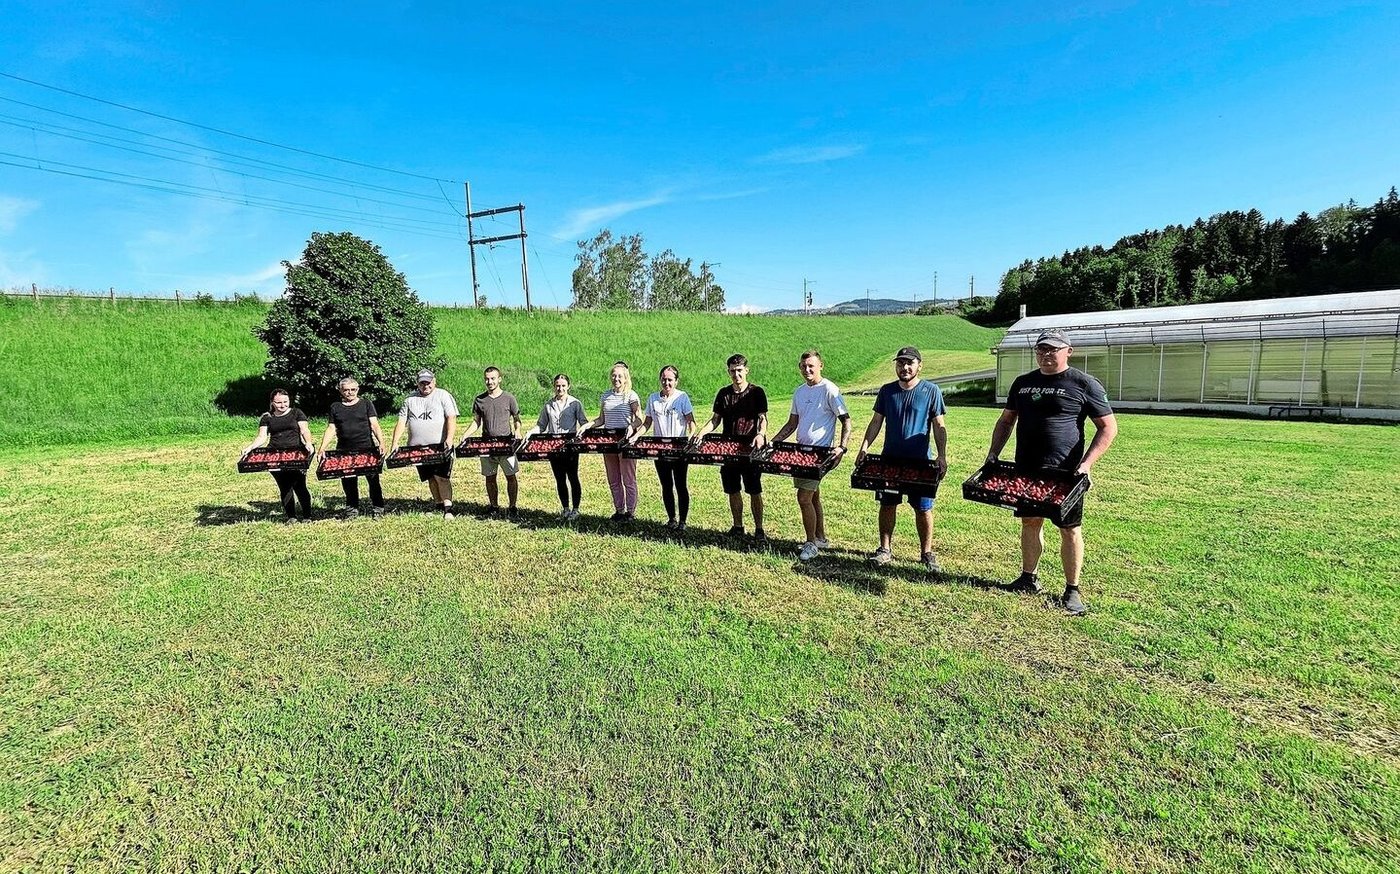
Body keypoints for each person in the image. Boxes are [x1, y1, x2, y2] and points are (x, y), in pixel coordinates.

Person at [985, 329, 1118, 616]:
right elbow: (1006, 421)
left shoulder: (1084, 383)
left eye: (1053, 349)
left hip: (1065, 473)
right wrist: (993, 452)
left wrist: (1086, 464)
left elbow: (1108, 428)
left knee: (1069, 529)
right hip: (1027, 468)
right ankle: (1028, 578)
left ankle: (1072, 590)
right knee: (1030, 522)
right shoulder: (1023, 383)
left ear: (1068, 351)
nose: (1046, 354)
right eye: (1041, 349)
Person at [855, 346, 948, 574]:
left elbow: (939, 425)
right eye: (900, 363)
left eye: (909, 363)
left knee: (923, 509)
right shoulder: (887, 391)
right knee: (887, 505)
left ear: (919, 366)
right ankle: (885, 549)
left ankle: (926, 553)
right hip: (890, 462)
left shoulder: (931, 391)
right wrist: (864, 447)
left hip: (920, 463)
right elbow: (876, 422)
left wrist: (942, 455)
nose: (904, 367)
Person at [770, 349, 851, 561]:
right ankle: (820, 537)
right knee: (813, 496)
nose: (807, 369)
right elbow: (792, 424)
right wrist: (774, 442)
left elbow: (846, 420)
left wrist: (841, 447)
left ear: (820, 366)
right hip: (801, 453)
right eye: (804, 366)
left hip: (820, 455)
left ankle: (811, 544)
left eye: (811, 366)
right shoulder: (799, 392)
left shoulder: (829, 389)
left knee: (803, 497)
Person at [693, 353, 769, 541]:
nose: (736, 374)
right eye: (733, 371)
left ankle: (759, 529)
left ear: (746, 370)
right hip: (728, 449)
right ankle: (738, 526)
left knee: (754, 490)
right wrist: (702, 432)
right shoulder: (724, 394)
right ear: (728, 372)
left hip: (751, 449)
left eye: (740, 370)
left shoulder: (756, 392)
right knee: (732, 489)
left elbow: (762, 418)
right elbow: (715, 419)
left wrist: (761, 434)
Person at [632, 364, 696, 530]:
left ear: (676, 381)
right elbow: (647, 422)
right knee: (666, 485)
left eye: (670, 380)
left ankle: (683, 521)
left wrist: (692, 433)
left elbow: (690, 420)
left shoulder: (682, 397)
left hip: (678, 448)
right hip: (659, 448)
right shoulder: (653, 398)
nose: (666, 383)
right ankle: (671, 518)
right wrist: (636, 435)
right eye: (664, 379)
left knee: (681, 485)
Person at [387, 369, 458, 519]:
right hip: (418, 449)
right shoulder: (409, 399)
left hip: (439, 447)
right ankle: (438, 503)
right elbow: (401, 421)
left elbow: (451, 417)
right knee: (430, 477)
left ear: (434, 381)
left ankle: (448, 508)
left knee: (442, 477)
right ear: (417, 383)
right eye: (422, 383)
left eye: (428, 382)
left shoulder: (443, 395)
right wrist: (395, 442)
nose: (426, 386)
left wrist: (449, 439)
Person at [242, 388, 315, 522]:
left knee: (299, 485)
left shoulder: (296, 413)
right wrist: (250, 447)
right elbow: (262, 436)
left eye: (285, 402)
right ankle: (291, 517)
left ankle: (307, 515)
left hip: (295, 454)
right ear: (272, 403)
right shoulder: (267, 417)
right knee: (284, 486)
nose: (283, 405)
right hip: (274, 455)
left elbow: (304, 430)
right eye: (279, 402)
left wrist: (308, 442)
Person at [318, 377, 386, 520]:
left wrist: (381, 442)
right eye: (346, 390)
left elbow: (374, 425)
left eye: (353, 389)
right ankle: (352, 510)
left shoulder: (366, 404)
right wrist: (322, 448)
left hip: (367, 448)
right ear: (340, 391)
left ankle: (378, 508)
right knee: (348, 482)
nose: (350, 392)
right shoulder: (335, 407)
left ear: (358, 389)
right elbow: (331, 428)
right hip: (344, 451)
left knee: (373, 481)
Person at [522, 373, 589, 520]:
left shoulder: (575, 404)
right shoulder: (548, 405)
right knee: (559, 478)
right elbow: (541, 425)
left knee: (573, 477)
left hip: (570, 446)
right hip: (553, 446)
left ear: (568, 386)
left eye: (563, 386)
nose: (560, 389)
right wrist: (530, 432)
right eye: (558, 386)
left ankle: (576, 509)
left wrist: (581, 434)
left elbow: (583, 422)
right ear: (554, 387)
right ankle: (565, 509)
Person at [460, 365, 522, 519]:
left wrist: (518, 431)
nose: (490, 382)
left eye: (493, 378)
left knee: (511, 476)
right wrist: (466, 434)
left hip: (506, 444)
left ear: (499, 379)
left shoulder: (509, 398)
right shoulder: (480, 400)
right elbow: (476, 421)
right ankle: (494, 506)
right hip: (486, 445)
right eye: (487, 379)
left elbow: (516, 418)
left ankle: (512, 507)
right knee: (490, 477)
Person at [583, 361, 643, 521]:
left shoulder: (631, 395)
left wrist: (632, 426)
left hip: (625, 441)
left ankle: (630, 512)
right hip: (609, 442)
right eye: (614, 375)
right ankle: (619, 510)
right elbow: (601, 419)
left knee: (628, 479)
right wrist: (588, 425)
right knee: (613, 479)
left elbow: (639, 419)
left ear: (625, 378)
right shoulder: (605, 396)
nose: (616, 379)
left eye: (620, 376)